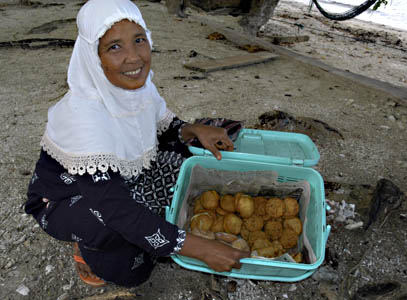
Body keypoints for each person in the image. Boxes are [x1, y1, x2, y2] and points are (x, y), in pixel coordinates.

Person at [25, 0, 250, 288]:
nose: (134, 58)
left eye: (139, 40)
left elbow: (162, 126)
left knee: (184, 161)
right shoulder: (83, 116)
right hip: (67, 200)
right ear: (93, 56)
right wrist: (200, 248)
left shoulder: (139, 88)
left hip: (122, 179)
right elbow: (115, 209)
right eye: (114, 47)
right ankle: (88, 249)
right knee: (122, 244)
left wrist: (191, 130)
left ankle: (160, 233)